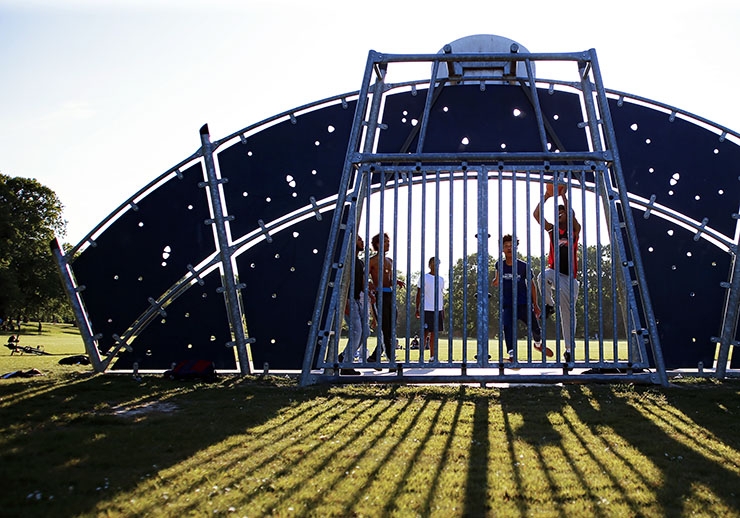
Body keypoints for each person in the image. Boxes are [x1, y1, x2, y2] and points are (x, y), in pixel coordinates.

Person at [533, 188, 581, 364]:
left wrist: (563, 195)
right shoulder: (553, 230)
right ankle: (549, 304)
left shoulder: (575, 230)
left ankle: (569, 350)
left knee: (568, 315)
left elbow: (572, 214)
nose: (560, 215)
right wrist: (546, 196)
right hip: (555, 274)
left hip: (570, 279)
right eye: (558, 213)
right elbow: (536, 214)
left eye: (562, 212)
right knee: (542, 276)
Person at [491, 235, 552, 363]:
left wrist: (535, 304)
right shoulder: (499, 265)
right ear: (502, 249)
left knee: (535, 328)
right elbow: (497, 279)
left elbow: (532, 285)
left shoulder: (523, 266)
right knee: (508, 328)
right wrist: (495, 281)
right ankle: (512, 355)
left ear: (516, 248)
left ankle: (538, 344)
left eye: (511, 246)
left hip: (523, 303)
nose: (509, 248)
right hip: (507, 304)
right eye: (506, 246)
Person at [367, 232, 405, 366]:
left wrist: (397, 281)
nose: (388, 244)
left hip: (390, 295)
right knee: (385, 329)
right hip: (379, 295)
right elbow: (364, 277)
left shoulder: (390, 261)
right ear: (377, 244)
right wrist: (369, 285)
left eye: (388, 242)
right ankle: (391, 360)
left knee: (392, 327)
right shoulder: (372, 260)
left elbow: (389, 278)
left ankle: (374, 357)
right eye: (385, 242)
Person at [339, 235, 372, 375]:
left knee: (366, 332)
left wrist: (370, 291)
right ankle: (346, 365)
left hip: (358, 299)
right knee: (357, 331)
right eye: (359, 240)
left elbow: (363, 282)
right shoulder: (347, 261)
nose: (362, 242)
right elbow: (343, 281)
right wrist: (345, 300)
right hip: (349, 300)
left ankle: (343, 356)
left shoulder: (360, 262)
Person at [415, 257, 445, 362]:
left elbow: (441, 295)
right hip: (427, 309)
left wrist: (443, 310)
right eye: (433, 263)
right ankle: (421, 356)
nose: (435, 265)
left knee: (434, 334)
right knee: (424, 333)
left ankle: (433, 357)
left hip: (438, 310)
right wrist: (417, 308)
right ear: (429, 265)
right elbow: (418, 293)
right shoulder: (424, 277)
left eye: (437, 263)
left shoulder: (441, 279)